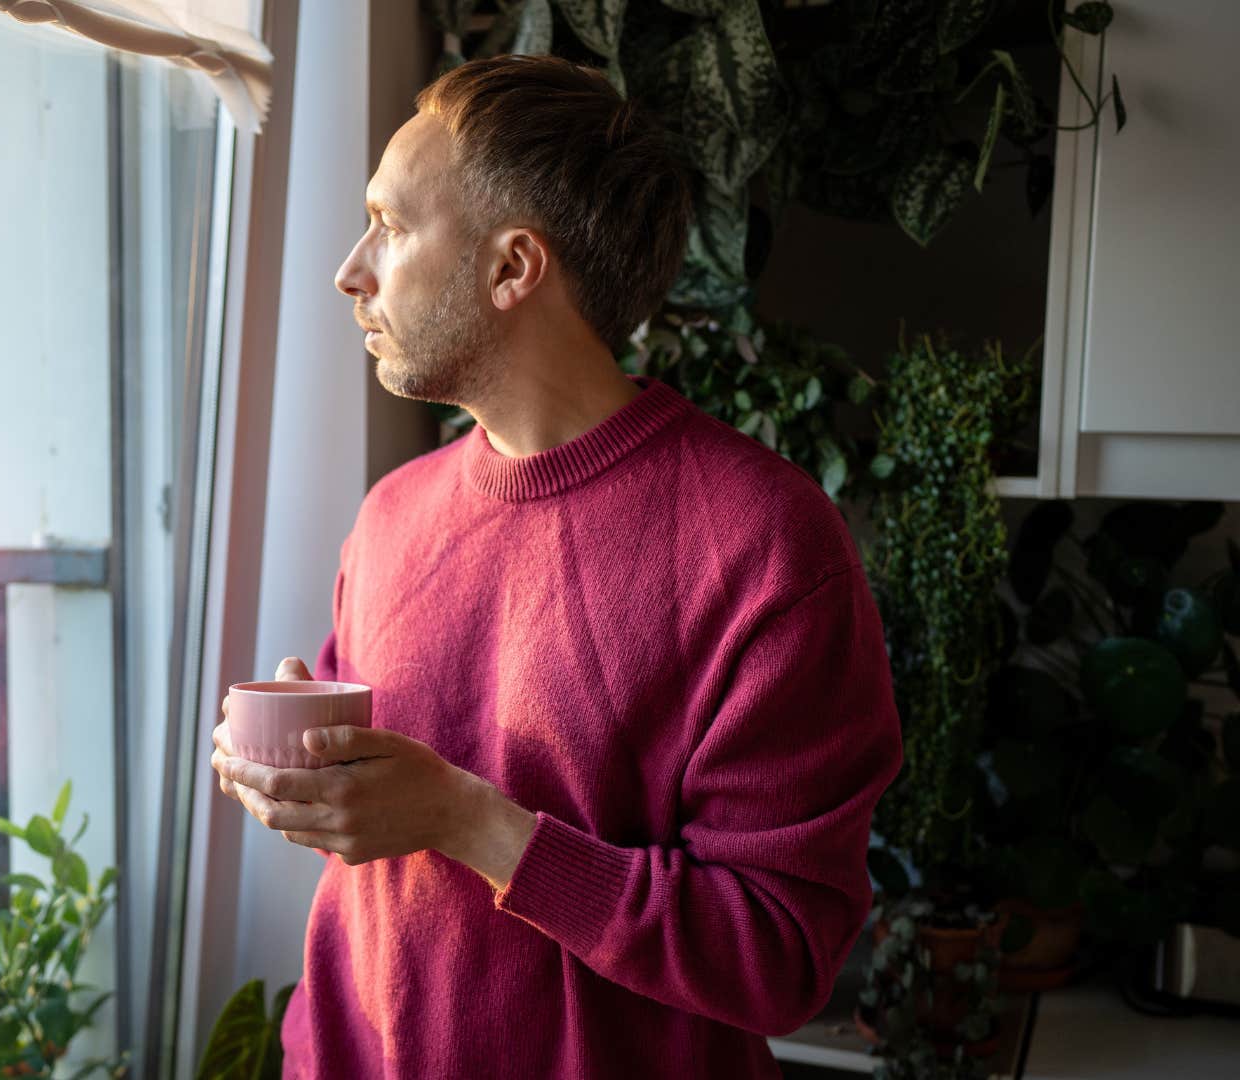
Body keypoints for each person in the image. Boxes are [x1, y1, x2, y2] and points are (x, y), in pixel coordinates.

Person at [209, 55, 904, 1078]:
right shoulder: (391, 514)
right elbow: (377, 829)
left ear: (512, 269)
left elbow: (779, 955)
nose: (351, 271)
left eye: (389, 225)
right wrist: (302, 778)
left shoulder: (767, 546)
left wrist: (468, 820)